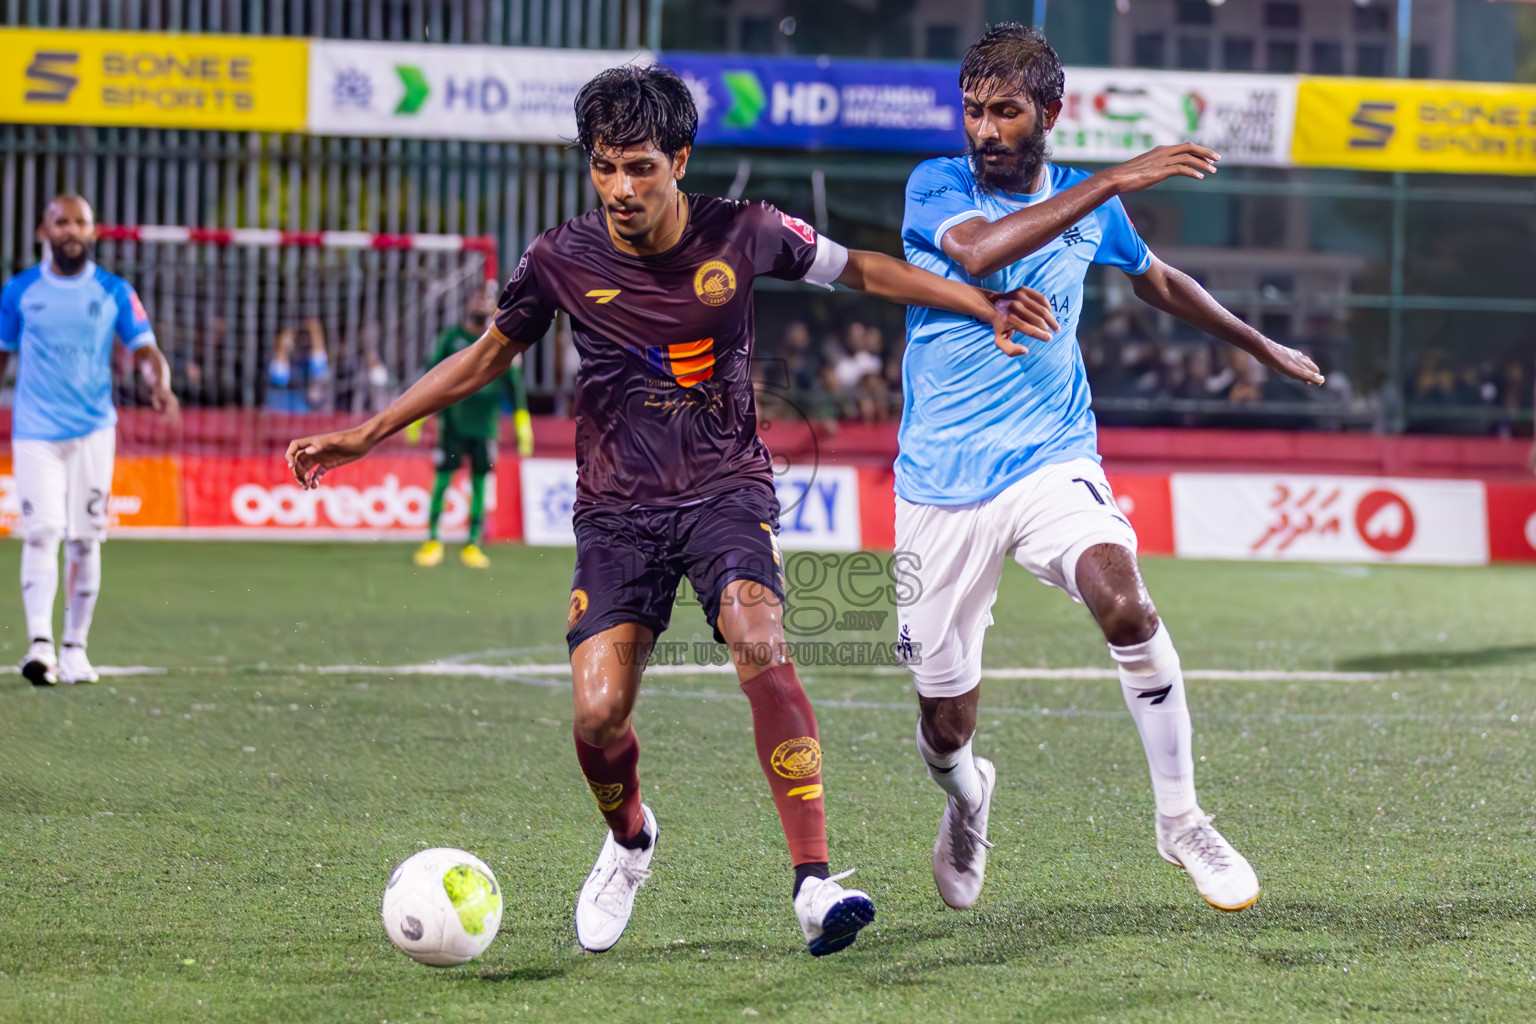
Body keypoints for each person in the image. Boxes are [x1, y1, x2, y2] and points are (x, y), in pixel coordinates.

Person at [287, 65, 1055, 957]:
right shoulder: (558, 260)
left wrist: (981, 300)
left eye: (641, 167)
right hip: (616, 513)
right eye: (605, 168)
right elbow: (488, 357)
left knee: (759, 644)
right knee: (597, 717)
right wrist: (370, 433)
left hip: (726, 490)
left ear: (680, 160)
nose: (621, 188)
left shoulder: (751, 230)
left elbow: (870, 274)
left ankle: (813, 882)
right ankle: (629, 842)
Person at [895, 26, 1324, 915]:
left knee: (1125, 600)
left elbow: (1155, 277)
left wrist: (1258, 343)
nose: (984, 128)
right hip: (937, 486)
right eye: (974, 109)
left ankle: (1183, 820)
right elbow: (980, 253)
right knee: (945, 725)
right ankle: (968, 795)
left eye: (1005, 111)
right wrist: (1115, 179)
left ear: (1049, 113)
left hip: (1052, 457)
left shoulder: (1091, 204)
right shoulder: (935, 184)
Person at [0, 194, 178, 685]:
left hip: (94, 432)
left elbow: (145, 348)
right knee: (41, 532)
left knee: (85, 540)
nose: (71, 229)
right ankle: (40, 645)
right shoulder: (19, 292)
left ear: (93, 231)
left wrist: (157, 382)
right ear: (44, 230)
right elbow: (3, 354)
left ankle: (75, 649)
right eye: (62, 222)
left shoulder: (114, 291)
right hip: (36, 432)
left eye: (80, 222)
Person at [411, 291, 533, 570]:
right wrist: (418, 418)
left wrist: (522, 424)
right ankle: (432, 539)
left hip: (486, 429)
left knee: (480, 484)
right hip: (452, 425)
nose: (480, 304)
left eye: (485, 300)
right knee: (442, 480)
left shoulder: (504, 342)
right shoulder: (451, 338)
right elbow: (432, 376)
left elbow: (515, 388)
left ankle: (473, 543)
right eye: (475, 299)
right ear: (467, 305)